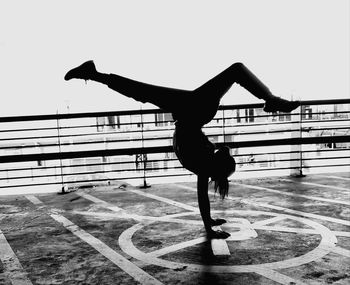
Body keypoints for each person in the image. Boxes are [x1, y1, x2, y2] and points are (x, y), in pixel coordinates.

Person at [64, 61, 300, 239]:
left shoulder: (203, 163)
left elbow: (203, 195)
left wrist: (210, 229)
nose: (223, 149)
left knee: (235, 70)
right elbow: (203, 197)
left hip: (193, 110)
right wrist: (209, 223)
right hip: (190, 114)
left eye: (223, 156)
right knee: (143, 92)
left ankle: (272, 100)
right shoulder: (205, 164)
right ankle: (93, 74)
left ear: (217, 164)